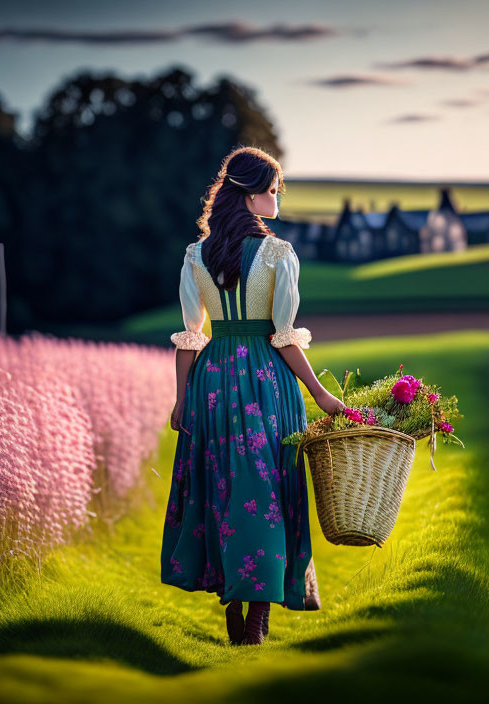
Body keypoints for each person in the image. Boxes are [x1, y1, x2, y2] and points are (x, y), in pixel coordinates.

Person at [160, 146, 346, 646]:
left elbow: (190, 337)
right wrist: (321, 394)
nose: (276, 198)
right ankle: (258, 615)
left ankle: (236, 608)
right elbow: (283, 336)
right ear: (248, 194)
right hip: (266, 383)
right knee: (266, 490)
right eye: (271, 189)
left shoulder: (196, 255)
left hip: (212, 383)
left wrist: (181, 400)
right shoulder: (278, 255)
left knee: (222, 486)